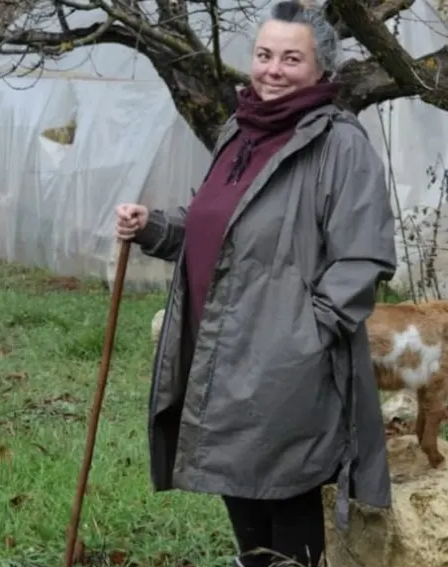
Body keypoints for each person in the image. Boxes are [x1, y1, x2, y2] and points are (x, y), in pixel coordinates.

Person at [114, 2, 397, 566]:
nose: (272, 70)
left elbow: (362, 259)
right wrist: (154, 227)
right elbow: (211, 225)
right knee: (246, 508)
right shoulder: (238, 130)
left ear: (322, 68)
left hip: (286, 365)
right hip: (222, 351)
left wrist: (303, 335)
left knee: (285, 510)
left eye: (292, 58)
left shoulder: (340, 146)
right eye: (265, 55)